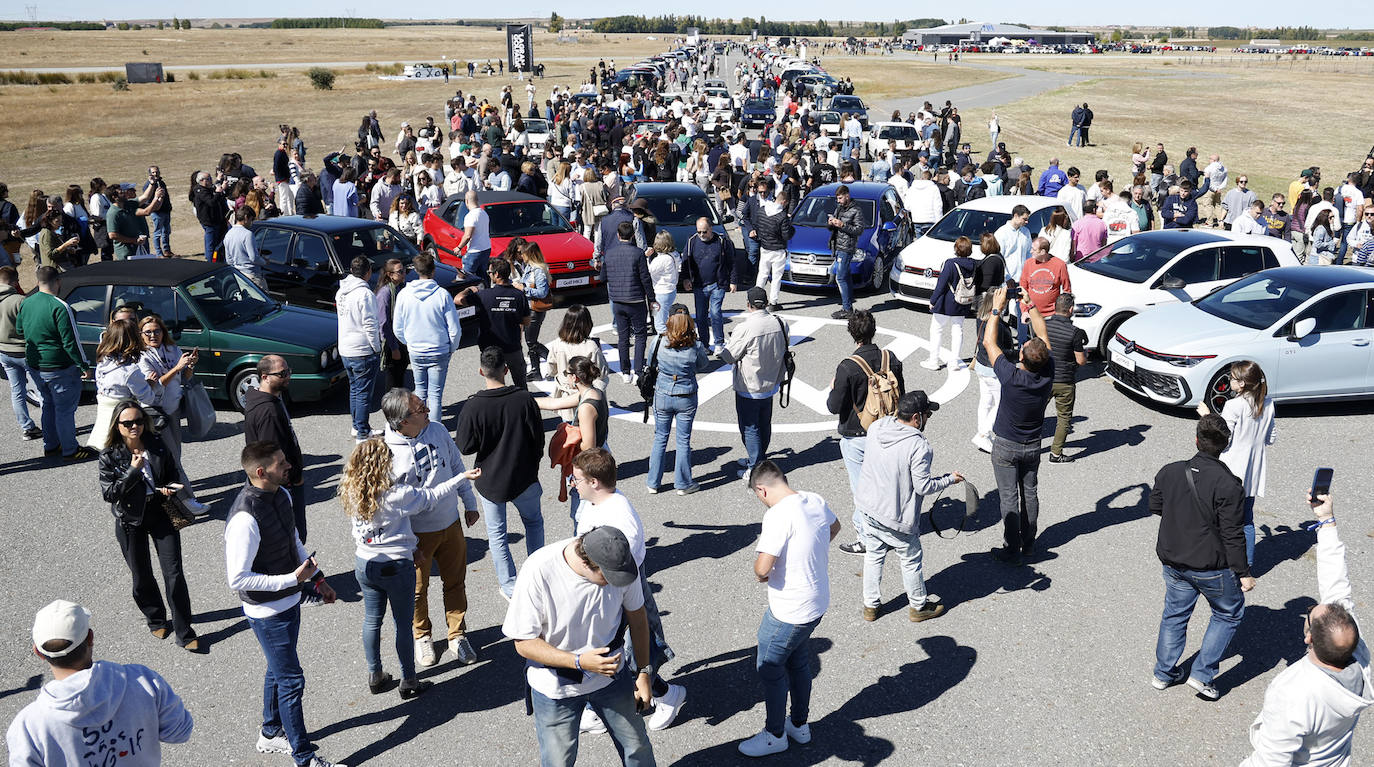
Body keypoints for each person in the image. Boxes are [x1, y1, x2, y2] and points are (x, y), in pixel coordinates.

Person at [227, 442, 345, 767]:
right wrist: (292, 580)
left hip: (289, 602)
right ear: (261, 472)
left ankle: (269, 732)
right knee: (292, 680)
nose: (288, 465)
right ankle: (304, 758)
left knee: (276, 668)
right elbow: (238, 579)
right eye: (281, 463)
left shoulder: (282, 495)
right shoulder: (243, 520)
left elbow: (293, 541)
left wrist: (318, 581)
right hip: (267, 613)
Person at [502, 524, 657, 767]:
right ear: (587, 564)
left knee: (637, 747)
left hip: (612, 679)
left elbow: (638, 620)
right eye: (608, 578)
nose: (616, 583)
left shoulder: (621, 563)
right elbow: (523, 643)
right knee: (558, 762)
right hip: (555, 688)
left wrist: (645, 673)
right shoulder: (539, 569)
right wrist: (579, 661)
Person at [340, 438, 478, 698]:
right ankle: (409, 680)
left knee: (372, 620)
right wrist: (462, 477)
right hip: (395, 566)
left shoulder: (352, 490)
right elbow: (433, 495)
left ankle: (375, 674)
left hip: (364, 563)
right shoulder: (397, 495)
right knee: (403, 625)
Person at [1240, 492, 1371, 765]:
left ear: (1309, 637)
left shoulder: (1294, 691)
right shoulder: (1356, 656)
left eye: (1311, 615)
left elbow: (1271, 760)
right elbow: (1336, 582)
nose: (1312, 607)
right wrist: (1326, 520)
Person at [571, 449, 686, 732]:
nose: (573, 484)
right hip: (601, 592)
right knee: (605, 652)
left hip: (619, 593)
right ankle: (598, 707)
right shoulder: (592, 503)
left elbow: (626, 576)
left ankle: (666, 695)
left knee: (620, 654)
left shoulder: (622, 521)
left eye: (577, 480)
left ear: (594, 482)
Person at [6, 600, 193, 765]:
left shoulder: (29, 726)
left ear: (38, 653)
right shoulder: (142, 680)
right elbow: (179, 731)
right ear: (90, 638)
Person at [1150, 414, 1254, 702]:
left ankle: (1164, 673)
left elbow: (1155, 505)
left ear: (1196, 439)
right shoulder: (1229, 485)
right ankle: (1202, 673)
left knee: (1175, 615)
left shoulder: (1170, 471)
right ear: (1226, 445)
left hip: (1173, 562)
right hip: (1212, 567)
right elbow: (1233, 534)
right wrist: (1243, 572)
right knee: (1228, 613)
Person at [739, 461, 839, 757]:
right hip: (815, 603)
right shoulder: (814, 500)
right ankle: (799, 724)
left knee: (769, 668)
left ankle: (775, 734)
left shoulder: (778, 516)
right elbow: (834, 527)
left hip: (788, 610)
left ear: (762, 488)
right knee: (798, 662)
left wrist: (766, 572)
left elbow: (761, 568)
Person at [379, 388, 483, 668]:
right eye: (420, 409)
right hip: (415, 535)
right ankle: (422, 636)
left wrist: (469, 502)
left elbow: (456, 464)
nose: (427, 411)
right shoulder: (384, 452)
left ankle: (457, 635)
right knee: (416, 590)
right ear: (401, 422)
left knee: (455, 582)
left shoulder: (436, 430)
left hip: (450, 522)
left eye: (424, 405)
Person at [97, 401, 199, 651]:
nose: (134, 427)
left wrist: (170, 486)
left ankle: (185, 632)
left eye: (139, 421)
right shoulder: (109, 455)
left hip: (161, 511)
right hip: (131, 520)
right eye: (128, 423)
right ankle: (155, 618)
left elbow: (173, 473)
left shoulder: (156, 444)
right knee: (141, 575)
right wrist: (133, 470)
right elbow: (109, 493)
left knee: (174, 573)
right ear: (117, 426)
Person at [855, 390, 961, 623]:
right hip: (896, 515)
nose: (928, 419)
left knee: (874, 555)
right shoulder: (918, 446)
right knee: (910, 558)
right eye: (927, 415)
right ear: (916, 418)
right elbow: (923, 487)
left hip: (868, 507)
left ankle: (870, 607)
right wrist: (949, 480)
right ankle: (918, 606)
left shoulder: (877, 427)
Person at [455, 347, 545, 600]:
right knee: (534, 523)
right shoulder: (524, 399)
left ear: (481, 371)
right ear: (506, 370)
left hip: (490, 481)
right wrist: (532, 465)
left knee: (497, 535)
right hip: (524, 477)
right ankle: (537, 577)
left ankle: (509, 585)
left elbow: (465, 446)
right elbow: (538, 440)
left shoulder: (473, 406)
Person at [982, 285, 1052, 565]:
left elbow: (989, 343)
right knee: (1030, 493)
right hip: (1033, 445)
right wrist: (1030, 304)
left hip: (1006, 445)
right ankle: (1029, 543)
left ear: (1022, 357)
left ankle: (1011, 548)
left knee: (1008, 497)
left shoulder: (1011, 377)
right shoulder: (1047, 371)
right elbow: (1043, 335)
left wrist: (997, 308)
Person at [827, 308, 905, 555]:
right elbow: (899, 393)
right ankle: (891, 527)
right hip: (888, 429)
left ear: (852, 334)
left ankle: (866, 537)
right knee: (886, 482)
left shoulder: (848, 366)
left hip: (857, 434)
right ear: (874, 330)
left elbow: (833, 406)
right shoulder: (889, 358)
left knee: (861, 489)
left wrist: (833, 388)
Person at [1197, 361, 1275, 567]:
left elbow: (1223, 439)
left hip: (1230, 471)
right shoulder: (1267, 403)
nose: (1229, 381)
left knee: (1219, 516)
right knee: (1246, 520)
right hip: (1253, 472)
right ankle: (1245, 565)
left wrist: (1207, 416)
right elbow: (1271, 438)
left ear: (1241, 384)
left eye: (1232, 378)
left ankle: (1217, 559)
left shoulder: (1233, 406)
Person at [17, 266, 94, 461]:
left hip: (35, 365)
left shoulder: (27, 302)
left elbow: (19, 329)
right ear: (58, 281)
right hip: (59, 367)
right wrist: (84, 365)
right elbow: (71, 341)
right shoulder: (60, 306)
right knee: (65, 410)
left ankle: (51, 445)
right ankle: (70, 449)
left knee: (48, 405)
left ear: (37, 282)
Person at [138, 313, 207, 513]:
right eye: (148, 332)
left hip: (173, 409)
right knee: (172, 458)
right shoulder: (142, 357)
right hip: (155, 412)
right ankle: (188, 501)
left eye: (157, 331)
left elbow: (184, 376)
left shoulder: (172, 349)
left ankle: (161, 499)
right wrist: (177, 367)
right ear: (141, 335)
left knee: (172, 455)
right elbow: (156, 386)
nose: (153, 335)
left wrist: (190, 366)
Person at [243, 355, 311, 544]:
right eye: (282, 374)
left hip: (279, 484)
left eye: (288, 371)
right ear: (264, 377)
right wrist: (294, 478)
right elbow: (272, 458)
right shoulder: (268, 412)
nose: (287, 376)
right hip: (281, 485)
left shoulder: (270, 400)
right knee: (293, 537)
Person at [722, 287, 789, 476]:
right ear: (766, 303)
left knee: (750, 426)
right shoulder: (780, 322)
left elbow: (730, 356)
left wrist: (721, 349)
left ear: (748, 304)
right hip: (771, 383)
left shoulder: (745, 327)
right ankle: (758, 458)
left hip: (749, 385)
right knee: (764, 422)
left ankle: (755, 467)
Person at [645, 309, 710, 495]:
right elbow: (703, 365)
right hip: (686, 395)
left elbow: (651, 363)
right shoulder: (695, 346)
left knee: (660, 437)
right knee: (683, 440)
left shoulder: (659, 341)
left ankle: (653, 482)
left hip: (663, 393)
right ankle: (682, 483)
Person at [392, 252, 462, 420]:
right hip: (439, 350)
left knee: (420, 391)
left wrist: (409, 343)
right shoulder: (442, 295)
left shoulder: (404, 294)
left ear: (416, 270)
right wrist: (451, 347)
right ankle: (436, 430)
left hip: (416, 350)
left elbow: (398, 327)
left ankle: (420, 427)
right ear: (433, 270)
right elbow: (454, 329)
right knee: (435, 395)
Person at [458, 258, 532, 387]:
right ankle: (522, 402)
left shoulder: (483, 295)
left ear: (496, 274)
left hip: (489, 349)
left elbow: (458, 299)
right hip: (512, 346)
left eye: (489, 272)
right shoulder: (519, 295)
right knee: (520, 382)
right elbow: (526, 321)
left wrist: (469, 289)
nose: (489, 274)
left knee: (494, 382)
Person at [600, 220, 657, 383]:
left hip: (617, 300)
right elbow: (645, 278)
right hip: (636, 300)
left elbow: (603, 277)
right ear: (633, 235)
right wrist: (651, 298)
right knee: (640, 335)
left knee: (623, 337)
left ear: (618, 236)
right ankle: (638, 370)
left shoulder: (609, 253)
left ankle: (625, 371)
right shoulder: (638, 253)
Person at [337, 256, 382, 443]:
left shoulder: (342, 291)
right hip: (362, 349)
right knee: (363, 393)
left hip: (346, 348)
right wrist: (377, 347)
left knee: (355, 389)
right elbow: (370, 324)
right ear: (368, 272)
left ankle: (358, 426)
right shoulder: (365, 294)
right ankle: (363, 432)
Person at [682, 216, 739, 355]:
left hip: (717, 284)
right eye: (699, 231)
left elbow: (732, 262)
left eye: (704, 232)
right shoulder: (691, 242)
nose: (702, 235)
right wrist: (686, 279)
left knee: (715, 313)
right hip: (699, 285)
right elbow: (685, 261)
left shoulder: (722, 241)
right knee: (701, 316)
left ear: (711, 229)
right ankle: (704, 344)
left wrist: (733, 281)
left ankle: (719, 343)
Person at [1044, 294, 1089, 463]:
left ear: (1055, 307)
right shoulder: (1075, 333)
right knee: (1063, 418)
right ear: (1070, 310)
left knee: (1035, 412)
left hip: (1044, 379)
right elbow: (1080, 361)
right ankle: (1056, 454)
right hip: (1065, 382)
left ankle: (1027, 445)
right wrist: (1085, 354)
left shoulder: (1044, 325)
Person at [544, 305, 610, 420]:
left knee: (570, 432)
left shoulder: (557, 344)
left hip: (567, 398)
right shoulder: (591, 347)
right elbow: (602, 373)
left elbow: (551, 369)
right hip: (589, 396)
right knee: (594, 432)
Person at [923, 235, 977, 371]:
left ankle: (933, 361)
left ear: (956, 249)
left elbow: (941, 285)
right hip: (963, 301)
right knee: (957, 330)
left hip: (946, 302)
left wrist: (933, 300)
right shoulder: (973, 264)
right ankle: (954, 363)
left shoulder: (950, 264)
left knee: (936, 330)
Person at [971, 291, 1014, 454]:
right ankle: (983, 434)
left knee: (986, 401)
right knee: (1001, 403)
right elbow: (1002, 350)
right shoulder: (998, 326)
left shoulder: (980, 318)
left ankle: (983, 433)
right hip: (994, 369)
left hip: (981, 365)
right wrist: (1018, 353)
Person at [0, 267, 40, 440]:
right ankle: (52, 426)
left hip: (4, 352)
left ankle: (27, 427)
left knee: (17, 391)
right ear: (15, 282)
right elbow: (31, 328)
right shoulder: (20, 301)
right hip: (24, 352)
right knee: (42, 390)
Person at [513, 242, 552, 378]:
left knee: (531, 342)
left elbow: (542, 292)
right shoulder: (529, 267)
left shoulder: (538, 271)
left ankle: (554, 361)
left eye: (522, 253)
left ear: (529, 254)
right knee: (531, 341)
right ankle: (536, 370)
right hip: (529, 308)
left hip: (536, 310)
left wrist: (523, 289)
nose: (520, 256)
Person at [827, 185, 865, 319]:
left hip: (847, 248)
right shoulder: (839, 208)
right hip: (838, 246)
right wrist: (831, 223)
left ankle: (847, 308)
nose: (838, 201)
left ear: (847, 196)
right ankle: (848, 305)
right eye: (837, 198)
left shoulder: (856, 210)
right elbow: (831, 228)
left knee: (840, 277)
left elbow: (859, 230)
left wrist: (842, 225)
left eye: (840, 198)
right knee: (846, 276)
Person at [754, 189, 794, 311]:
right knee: (776, 277)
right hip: (778, 250)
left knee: (762, 274)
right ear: (784, 202)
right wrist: (791, 227)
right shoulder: (782, 217)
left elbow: (757, 225)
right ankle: (773, 302)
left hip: (765, 247)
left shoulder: (762, 211)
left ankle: (755, 298)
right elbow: (787, 235)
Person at [374, 258, 409, 390]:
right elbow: (384, 323)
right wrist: (394, 348)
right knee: (393, 382)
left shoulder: (400, 288)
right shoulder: (385, 293)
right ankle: (392, 409)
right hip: (392, 343)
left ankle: (399, 408)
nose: (404, 273)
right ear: (390, 274)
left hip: (401, 340)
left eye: (404, 270)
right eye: (400, 271)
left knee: (400, 378)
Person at [1020, 236, 1072, 321]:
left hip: (1052, 316)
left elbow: (1067, 291)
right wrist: (1024, 311)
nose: (1030, 251)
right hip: (1031, 313)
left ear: (1043, 251)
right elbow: (1022, 290)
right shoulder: (1028, 264)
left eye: (1034, 249)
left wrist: (1062, 314)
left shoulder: (1060, 265)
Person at [224, 206, 267, 289]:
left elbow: (229, 260)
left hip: (239, 276)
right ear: (246, 217)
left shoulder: (228, 235)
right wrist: (264, 262)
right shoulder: (248, 234)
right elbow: (254, 258)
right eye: (251, 220)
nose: (251, 223)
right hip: (252, 275)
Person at [647, 231, 682, 333]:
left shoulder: (662, 259)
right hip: (671, 290)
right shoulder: (674, 254)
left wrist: (646, 256)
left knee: (660, 324)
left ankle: (664, 345)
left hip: (661, 292)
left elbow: (648, 271)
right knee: (664, 318)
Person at [457, 190, 492, 285]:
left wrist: (459, 247)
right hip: (486, 249)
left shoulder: (471, 216)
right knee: (482, 277)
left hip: (474, 252)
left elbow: (468, 235)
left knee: (467, 277)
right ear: (477, 200)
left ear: (466, 201)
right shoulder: (484, 213)